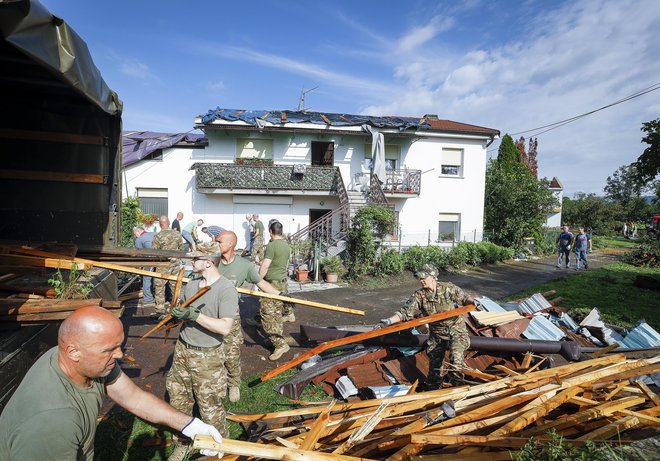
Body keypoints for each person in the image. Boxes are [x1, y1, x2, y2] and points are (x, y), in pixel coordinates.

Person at [0, 306, 223, 461]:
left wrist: (191, 426)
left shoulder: (77, 360)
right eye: (109, 350)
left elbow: (133, 398)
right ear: (73, 351)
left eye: (119, 346)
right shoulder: (53, 421)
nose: (119, 356)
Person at [166, 246, 238, 460]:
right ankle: (184, 443)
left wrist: (195, 316)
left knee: (210, 406)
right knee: (178, 399)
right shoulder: (191, 286)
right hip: (182, 350)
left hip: (208, 357)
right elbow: (187, 316)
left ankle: (217, 448)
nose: (191, 262)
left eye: (196, 259)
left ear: (208, 262)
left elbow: (225, 327)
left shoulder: (226, 289)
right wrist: (179, 316)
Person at [376, 264, 473, 389]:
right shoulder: (419, 295)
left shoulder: (448, 288)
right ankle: (433, 390)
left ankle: (458, 387)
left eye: (424, 278)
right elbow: (405, 313)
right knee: (435, 366)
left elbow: (465, 298)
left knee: (456, 360)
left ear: (433, 277)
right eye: (420, 279)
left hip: (456, 329)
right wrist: (388, 321)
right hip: (437, 333)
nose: (421, 281)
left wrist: (473, 302)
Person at [215, 230, 283, 402]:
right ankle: (220, 383)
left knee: (231, 353)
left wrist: (280, 295)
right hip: (210, 313)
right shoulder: (212, 262)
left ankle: (234, 384)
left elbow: (261, 283)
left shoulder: (244, 266)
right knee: (214, 352)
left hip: (230, 314)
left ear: (230, 244)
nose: (216, 243)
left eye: (219, 241)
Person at [247, 221, 293, 361]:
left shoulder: (272, 245)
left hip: (272, 285)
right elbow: (286, 264)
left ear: (271, 232)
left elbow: (265, 266)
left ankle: (280, 344)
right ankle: (265, 322)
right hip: (282, 282)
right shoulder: (286, 245)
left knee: (269, 316)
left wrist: (258, 281)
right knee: (275, 311)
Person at [152, 216, 184, 317]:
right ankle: (176, 308)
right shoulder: (177, 234)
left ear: (160, 224)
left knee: (159, 286)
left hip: (163, 264)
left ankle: (160, 310)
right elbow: (181, 249)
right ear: (169, 222)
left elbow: (155, 252)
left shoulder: (158, 236)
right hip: (175, 263)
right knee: (175, 285)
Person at [133, 225, 156, 308]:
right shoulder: (153, 233)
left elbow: (139, 254)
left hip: (150, 259)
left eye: (135, 234)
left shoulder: (139, 239)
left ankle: (148, 298)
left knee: (146, 277)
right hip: (162, 258)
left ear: (138, 232)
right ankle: (167, 296)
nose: (135, 236)